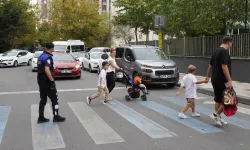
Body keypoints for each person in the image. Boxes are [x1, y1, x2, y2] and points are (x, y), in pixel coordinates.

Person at [205, 36, 233, 126]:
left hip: (215, 79)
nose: (231, 45)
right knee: (229, 99)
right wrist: (229, 80)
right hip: (222, 80)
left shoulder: (216, 51)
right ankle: (216, 115)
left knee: (218, 100)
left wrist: (207, 76)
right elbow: (224, 66)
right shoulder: (224, 52)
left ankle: (218, 118)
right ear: (229, 42)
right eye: (231, 43)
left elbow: (210, 65)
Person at [37, 43, 66, 124]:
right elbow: (47, 70)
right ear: (52, 48)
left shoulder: (41, 56)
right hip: (47, 82)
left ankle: (41, 117)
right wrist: (52, 81)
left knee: (43, 99)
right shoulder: (47, 57)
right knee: (55, 100)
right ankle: (56, 116)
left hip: (41, 81)